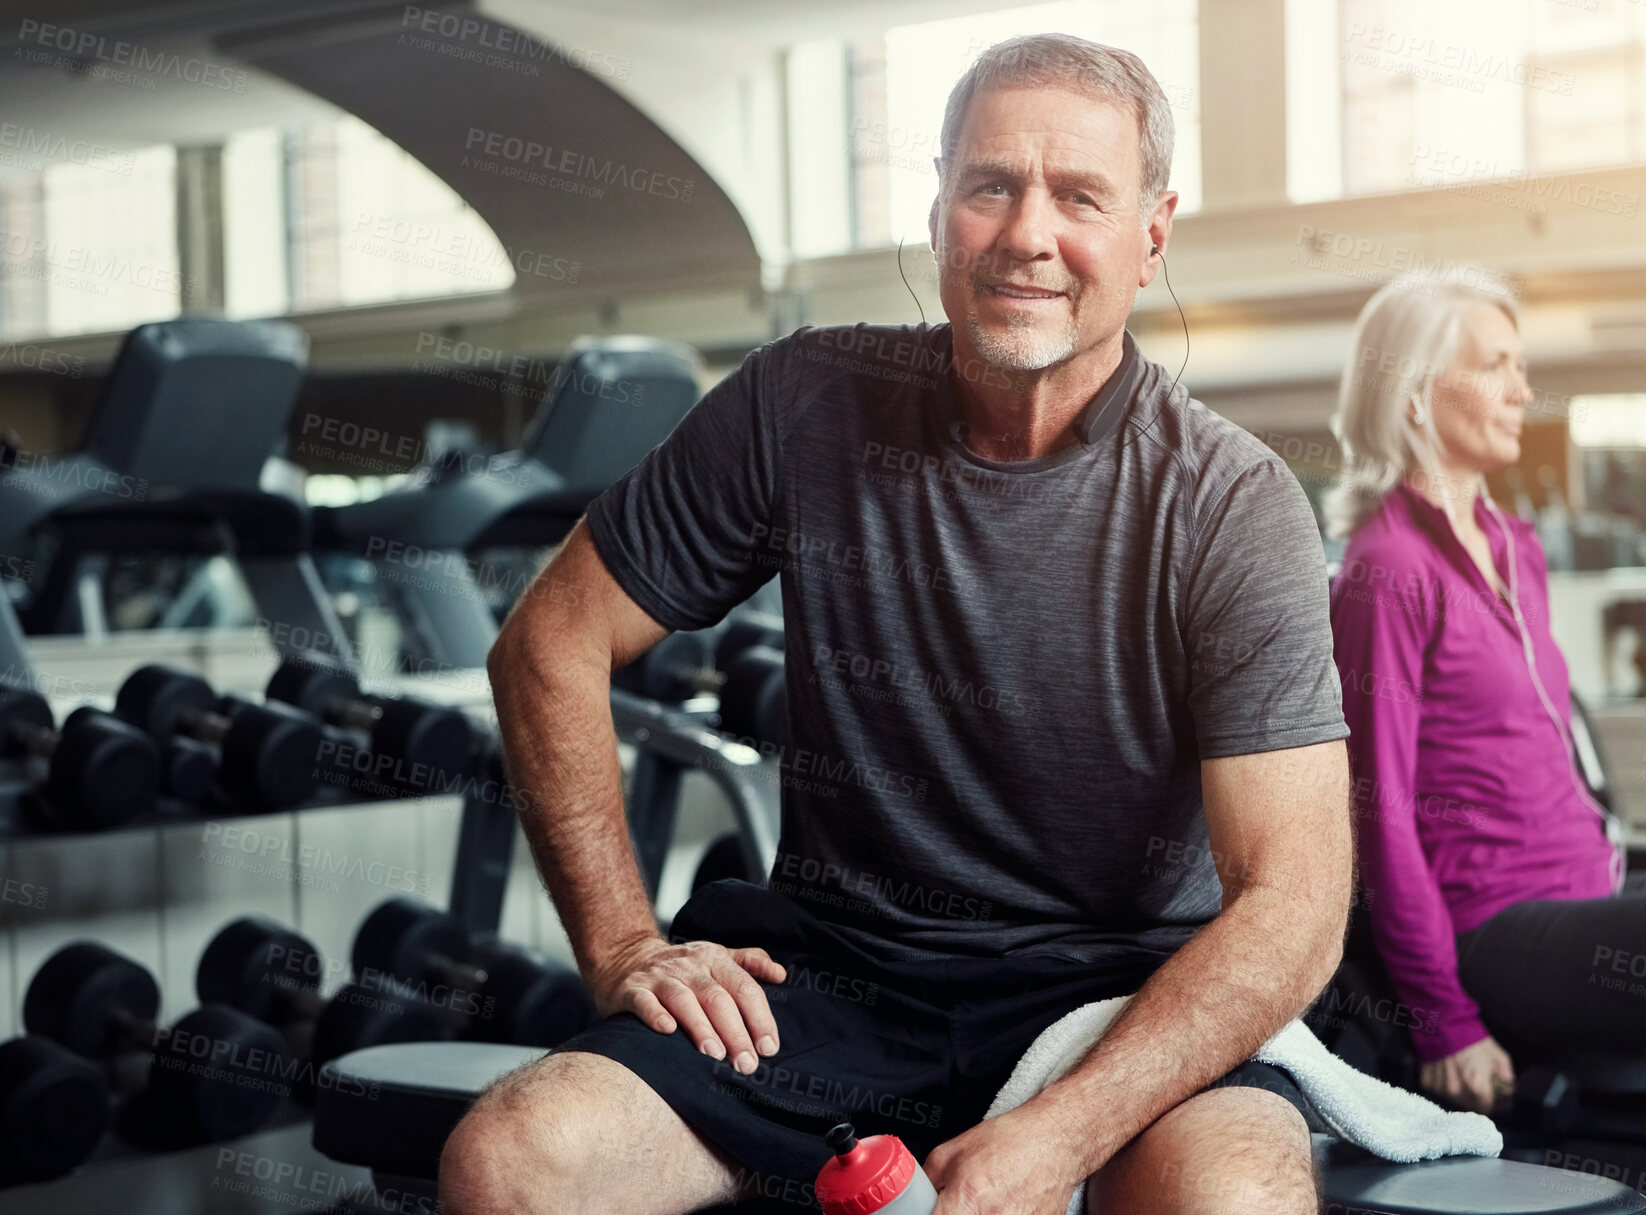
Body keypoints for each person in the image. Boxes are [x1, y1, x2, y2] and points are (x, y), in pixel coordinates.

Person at [443, 32, 1353, 1215]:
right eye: (989, 185)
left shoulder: (1225, 502)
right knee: (512, 1160)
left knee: (1237, 1199)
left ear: (1150, 234)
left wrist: (1056, 1133)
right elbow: (546, 643)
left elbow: (1293, 904)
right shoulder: (800, 401)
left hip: (1114, 1003)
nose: (1026, 233)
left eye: (1078, 195)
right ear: (938, 213)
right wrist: (622, 945)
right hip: (829, 990)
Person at [1325, 274, 1643, 1120]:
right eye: (1496, 365)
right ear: (1420, 396)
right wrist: (1442, 1020)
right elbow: (1377, 808)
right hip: (1498, 926)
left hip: (1593, 889)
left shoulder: (1517, 548)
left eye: (1521, 365)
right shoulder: (1389, 568)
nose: (1523, 391)